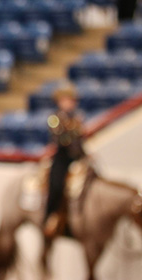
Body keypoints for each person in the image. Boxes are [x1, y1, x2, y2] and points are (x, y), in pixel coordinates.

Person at [43, 83, 86, 238]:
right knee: (56, 184)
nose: (69, 103)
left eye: (71, 100)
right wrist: (73, 129)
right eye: (66, 100)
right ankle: (51, 215)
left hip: (77, 156)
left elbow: (79, 140)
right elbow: (62, 139)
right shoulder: (55, 119)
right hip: (62, 157)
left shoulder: (76, 118)